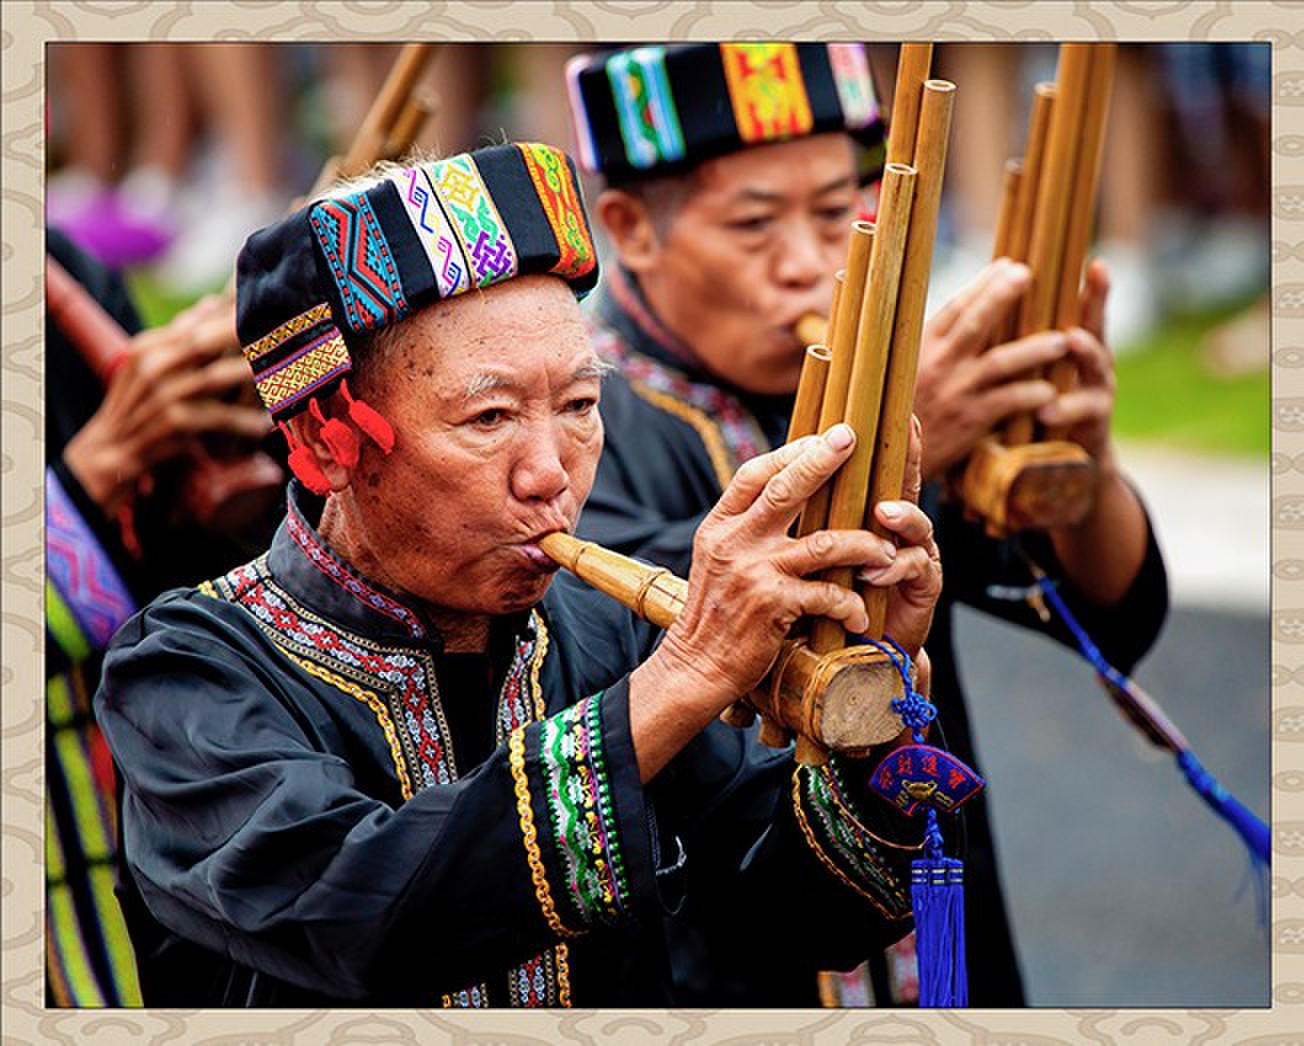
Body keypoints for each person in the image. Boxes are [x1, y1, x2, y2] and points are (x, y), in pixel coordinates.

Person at [94, 141, 949, 1007]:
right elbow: (371, 920)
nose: (551, 472)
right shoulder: (181, 673)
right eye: (490, 416)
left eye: (579, 406)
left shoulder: (608, 634)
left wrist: (873, 710)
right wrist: (686, 676)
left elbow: (802, 919)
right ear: (326, 442)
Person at [565, 41, 1169, 1007]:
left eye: (835, 206)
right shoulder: (578, 410)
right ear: (633, 228)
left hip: (934, 930)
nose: (806, 264)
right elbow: (627, 631)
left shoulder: (921, 385)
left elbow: (1115, 613)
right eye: (756, 223)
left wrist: (1082, 475)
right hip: (721, 960)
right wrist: (889, 426)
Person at [45, 229, 274, 1006]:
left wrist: (212, 429)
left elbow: (162, 581)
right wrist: (101, 463)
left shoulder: (54, 267)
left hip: (124, 820)